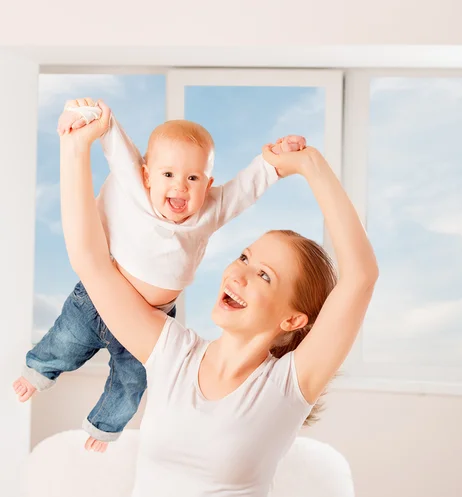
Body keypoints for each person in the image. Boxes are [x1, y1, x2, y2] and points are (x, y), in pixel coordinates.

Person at [59, 99, 378, 497]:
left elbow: (360, 278)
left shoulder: (288, 385)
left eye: (264, 275)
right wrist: (75, 148)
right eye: (245, 257)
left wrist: (311, 167)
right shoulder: (172, 354)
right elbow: (92, 262)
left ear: (293, 320)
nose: (239, 272)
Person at [13, 98, 305, 452]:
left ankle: (104, 427)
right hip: (96, 301)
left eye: (193, 178)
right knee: (65, 340)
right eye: (168, 175)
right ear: (148, 174)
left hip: (152, 321)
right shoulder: (134, 184)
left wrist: (274, 163)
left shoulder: (209, 211)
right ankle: (38, 372)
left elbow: (246, 188)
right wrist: (86, 116)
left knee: (133, 380)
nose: (180, 187)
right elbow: (112, 137)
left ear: (207, 182)